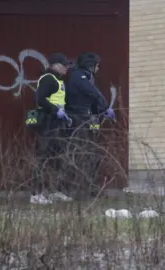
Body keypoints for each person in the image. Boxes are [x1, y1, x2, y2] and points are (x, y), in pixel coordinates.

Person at [65, 52, 115, 199]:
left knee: (91, 155)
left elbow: (90, 99)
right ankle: (83, 190)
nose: (98, 68)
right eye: (97, 65)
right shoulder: (79, 76)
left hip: (84, 118)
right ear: (90, 65)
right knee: (85, 154)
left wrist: (101, 110)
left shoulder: (85, 76)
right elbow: (92, 92)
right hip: (78, 119)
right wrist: (106, 107)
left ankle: (91, 188)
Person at [30, 53, 74, 204]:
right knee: (43, 157)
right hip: (47, 124)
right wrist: (56, 111)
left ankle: (56, 191)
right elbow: (40, 99)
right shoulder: (48, 78)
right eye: (64, 64)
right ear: (55, 65)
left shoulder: (58, 80)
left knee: (58, 158)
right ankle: (36, 194)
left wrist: (64, 115)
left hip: (57, 123)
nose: (67, 67)